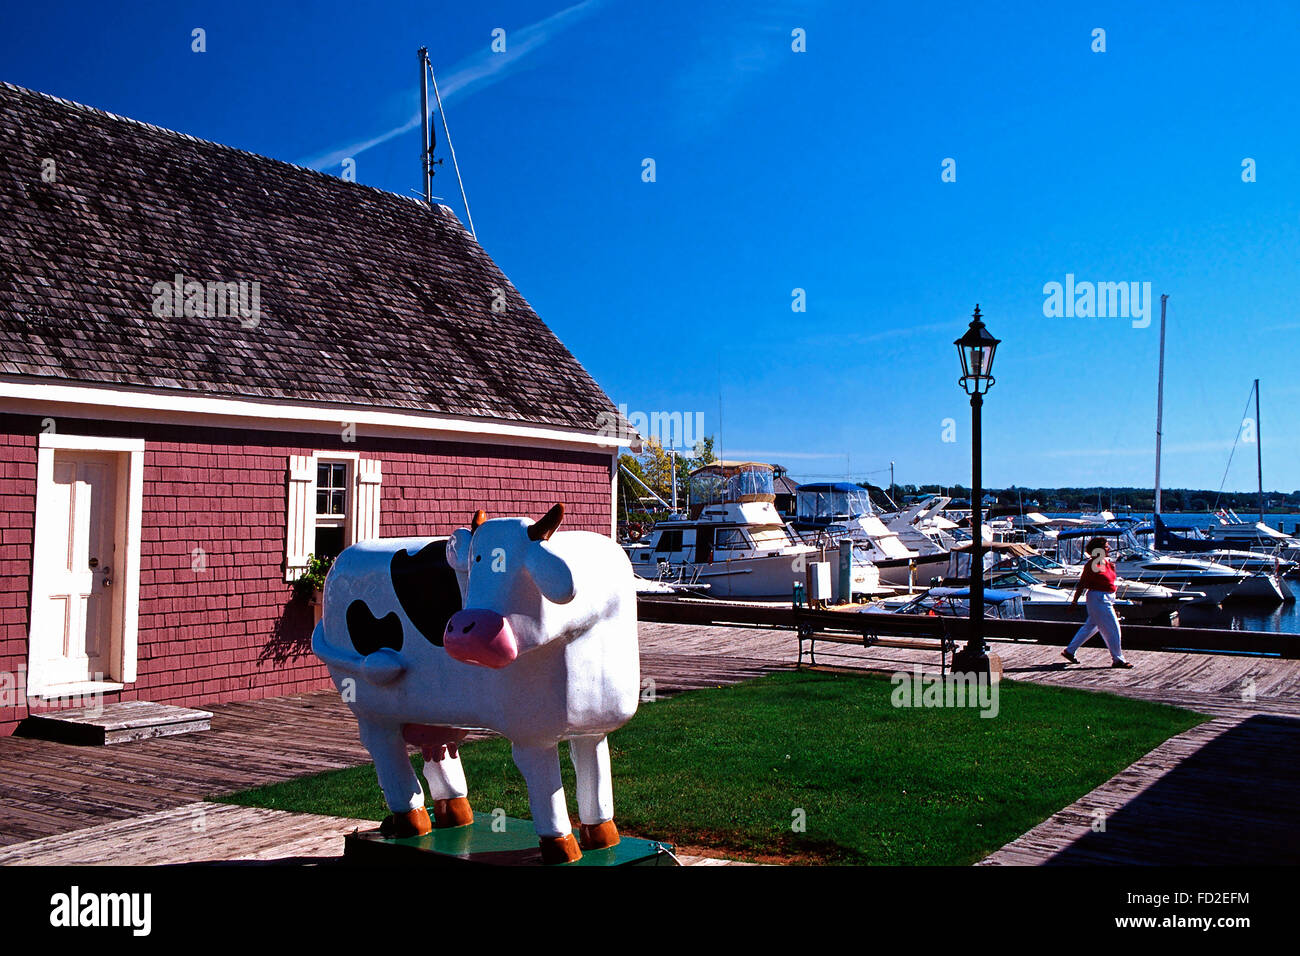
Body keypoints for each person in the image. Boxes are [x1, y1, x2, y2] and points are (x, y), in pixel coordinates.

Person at [1062, 536, 1133, 668]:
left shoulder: (1108, 563)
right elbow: (1082, 584)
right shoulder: (1093, 564)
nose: (1109, 548)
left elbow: (1110, 583)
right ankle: (1118, 659)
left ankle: (1069, 651)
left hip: (1106, 599)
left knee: (1092, 626)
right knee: (1113, 629)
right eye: (1106, 546)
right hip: (1098, 599)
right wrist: (1074, 602)